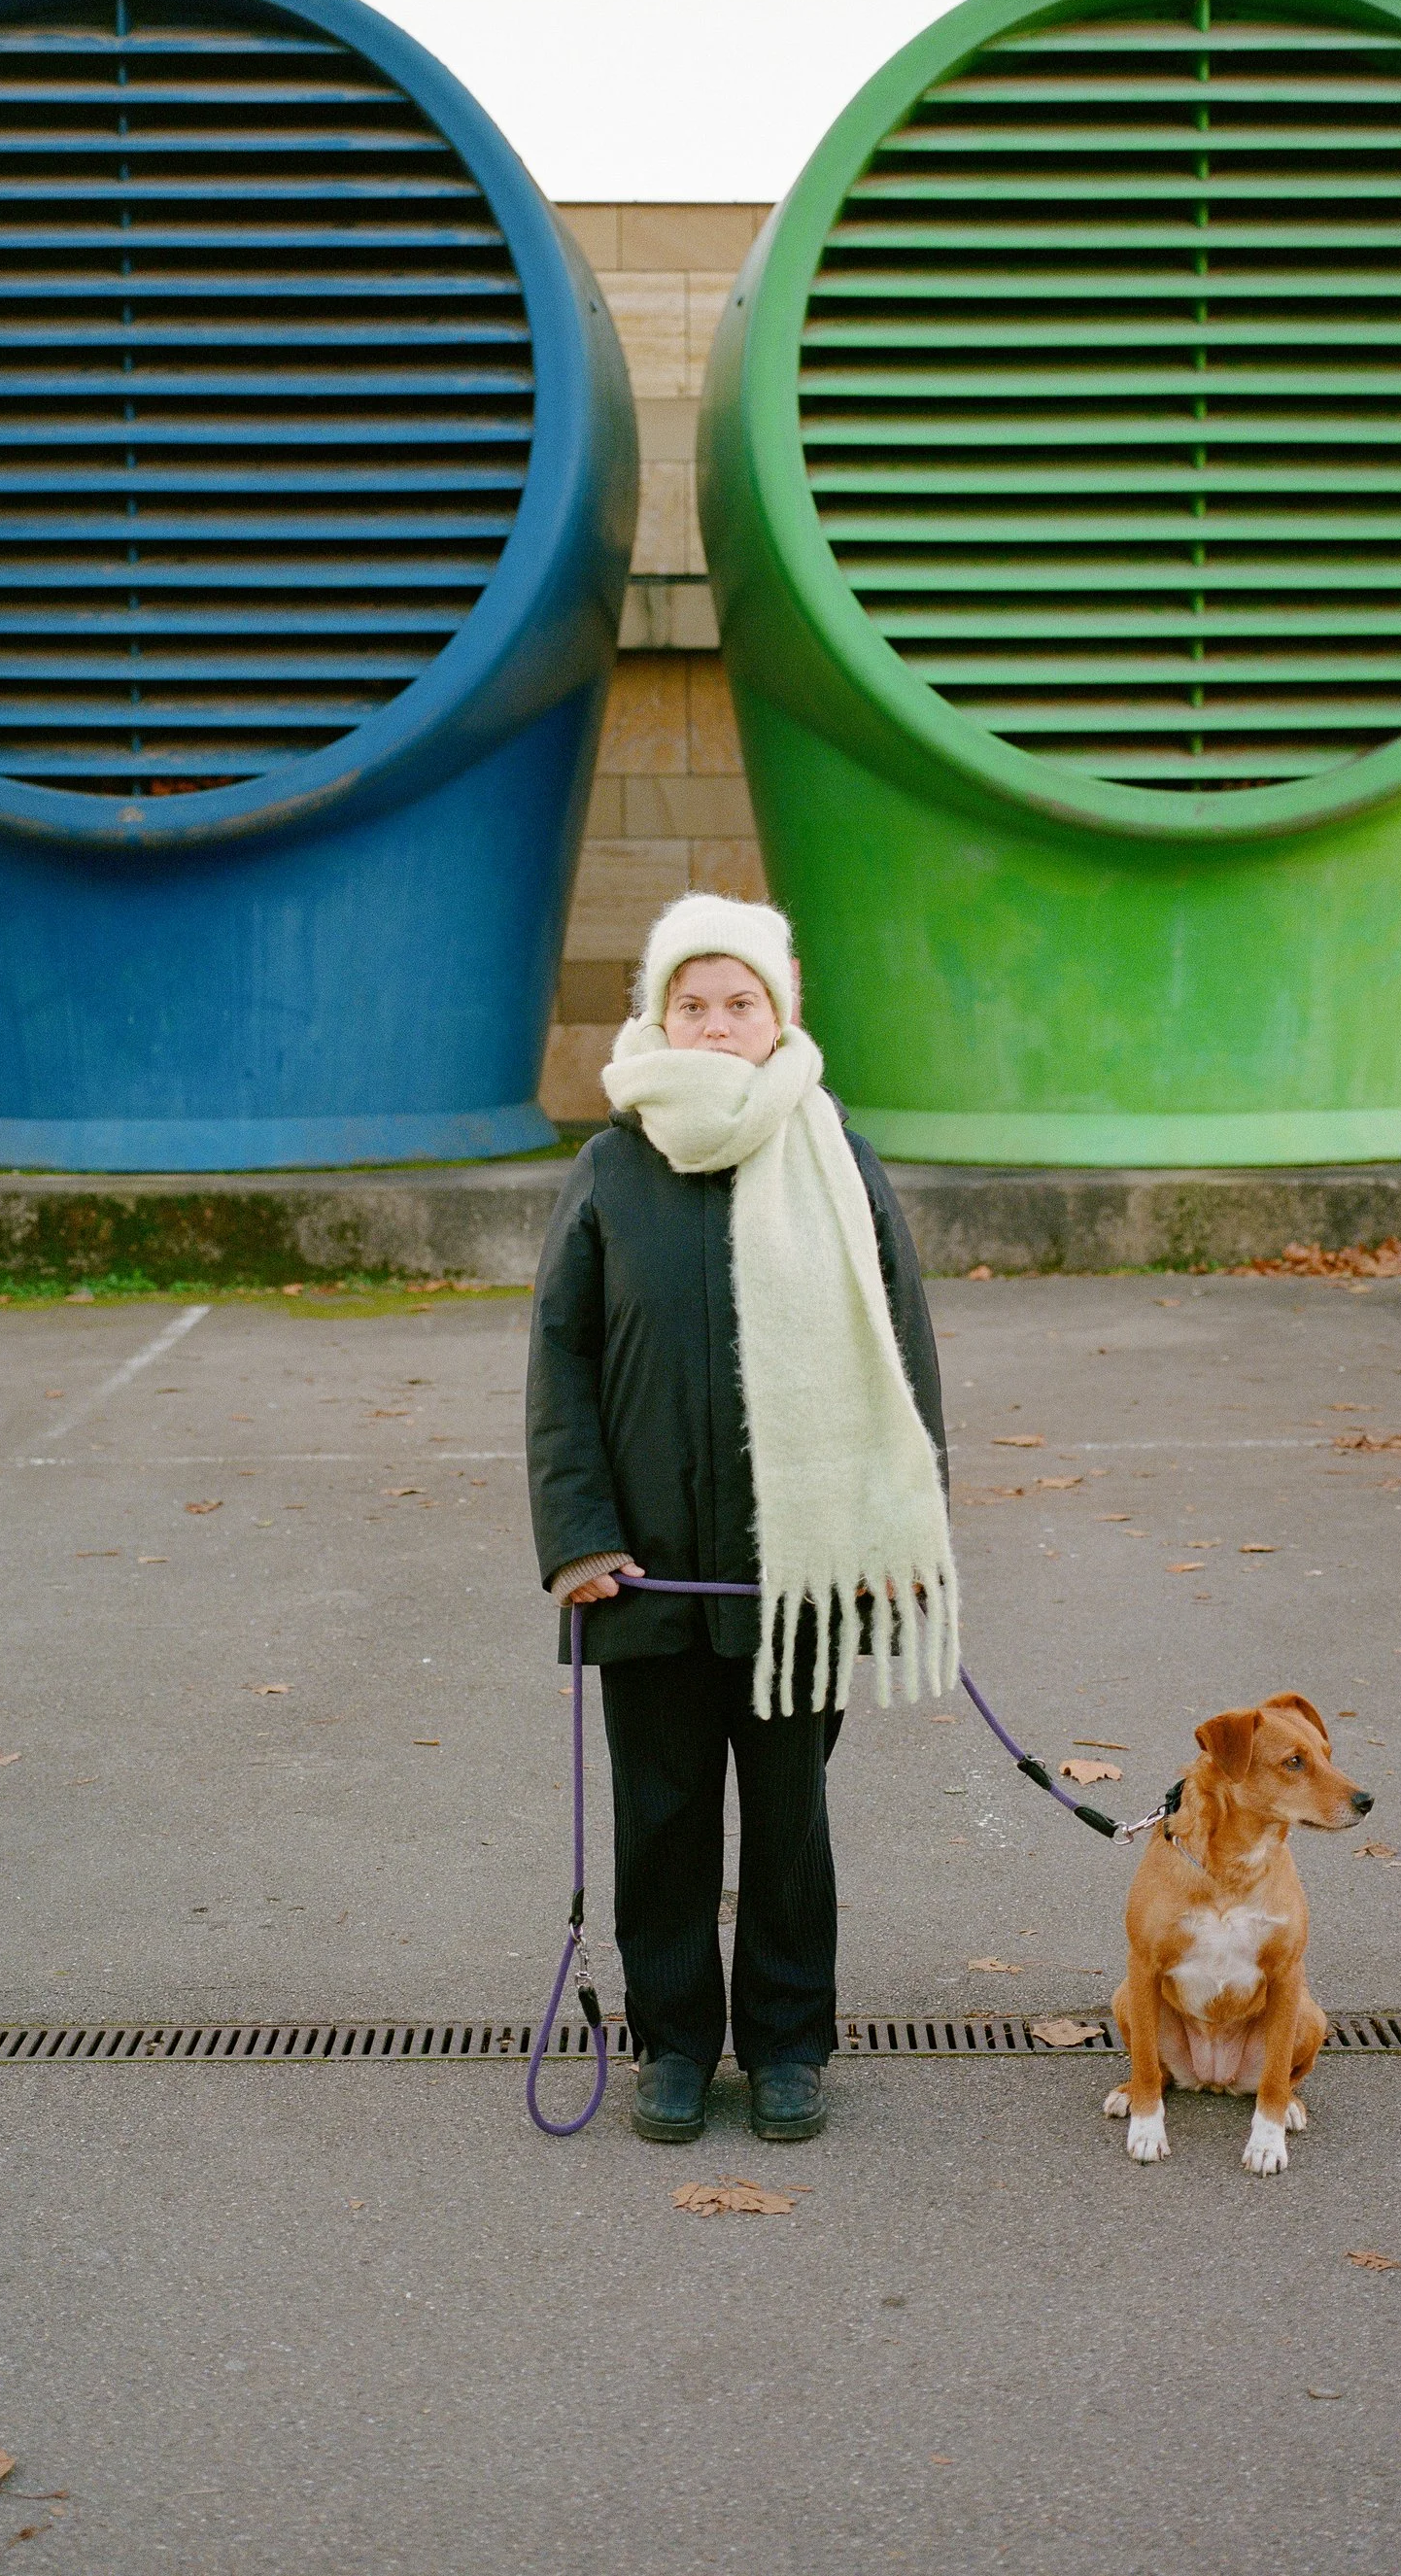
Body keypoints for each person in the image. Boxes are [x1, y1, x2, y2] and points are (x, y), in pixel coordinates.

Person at [525, 892, 956, 2145]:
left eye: (740, 1002)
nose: (717, 1025)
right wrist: (577, 1536)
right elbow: (559, 1361)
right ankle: (672, 2044)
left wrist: (891, 1536)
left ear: (780, 1016)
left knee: (785, 1828)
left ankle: (784, 2045)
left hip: (798, 1578)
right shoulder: (611, 1165)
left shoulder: (835, 1157)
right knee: (660, 1821)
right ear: (658, 1017)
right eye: (692, 1004)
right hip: (644, 1576)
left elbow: (902, 1364)